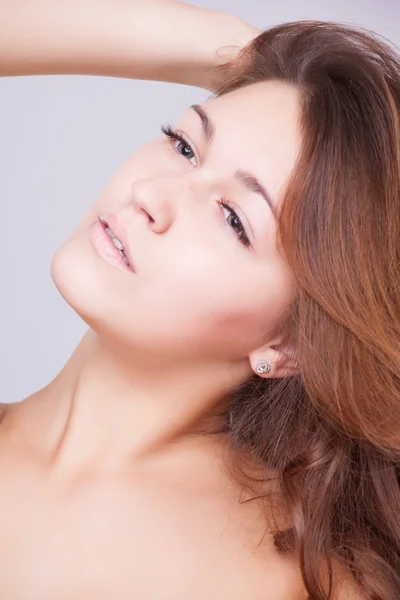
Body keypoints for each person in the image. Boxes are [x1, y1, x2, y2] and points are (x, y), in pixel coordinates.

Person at [0, 1, 399, 599]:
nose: (152, 194)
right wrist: (228, 46)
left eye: (234, 219)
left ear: (290, 343)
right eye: (184, 146)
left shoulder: (305, 583)